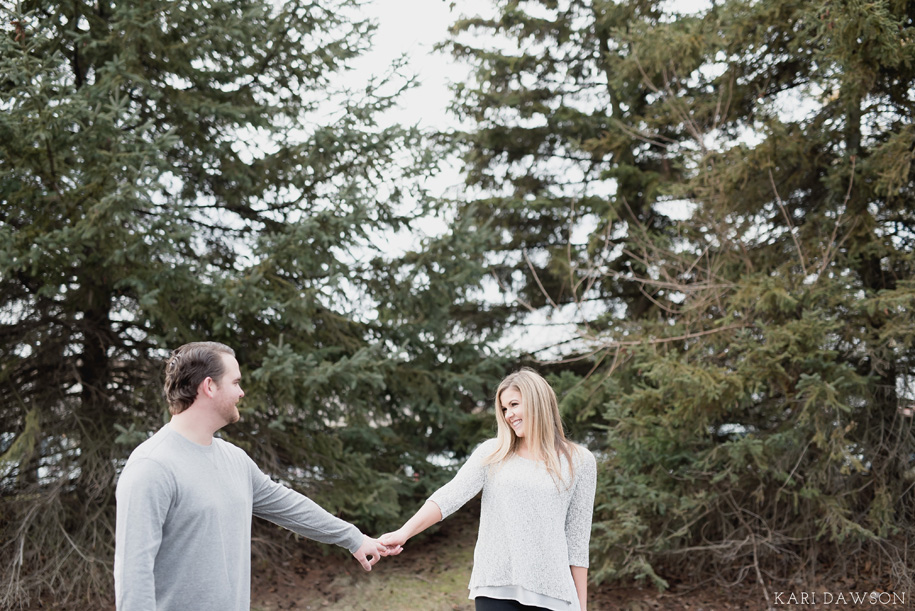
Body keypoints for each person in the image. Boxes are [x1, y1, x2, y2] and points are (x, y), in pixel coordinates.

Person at [114, 341, 393, 610]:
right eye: (235, 382)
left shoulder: (234, 459)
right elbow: (133, 575)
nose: (241, 392)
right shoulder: (152, 466)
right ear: (209, 386)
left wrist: (352, 538)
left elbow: (289, 507)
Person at [380, 368, 597, 611]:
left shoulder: (580, 461)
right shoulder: (493, 453)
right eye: (504, 409)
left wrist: (581, 606)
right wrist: (404, 532)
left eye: (514, 404)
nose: (508, 415)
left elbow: (577, 544)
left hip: (553, 594)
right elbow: (450, 495)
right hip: (496, 588)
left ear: (538, 402)